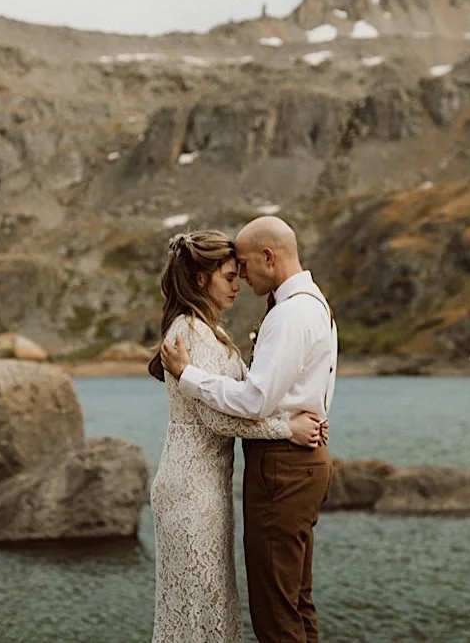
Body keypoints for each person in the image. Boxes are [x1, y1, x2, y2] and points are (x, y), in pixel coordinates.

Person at [160, 216, 338, 643]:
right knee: (286, 602)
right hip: (203, 481)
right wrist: (288, 427)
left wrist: (190, 377)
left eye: (241, 266)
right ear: (201, 280)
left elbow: (253, 399)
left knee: (277, 611)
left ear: (268, 257)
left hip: (281, 470)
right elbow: (231, 407)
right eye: (229, 273)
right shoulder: (306, 306)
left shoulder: (290, 314)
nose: (240, 278)